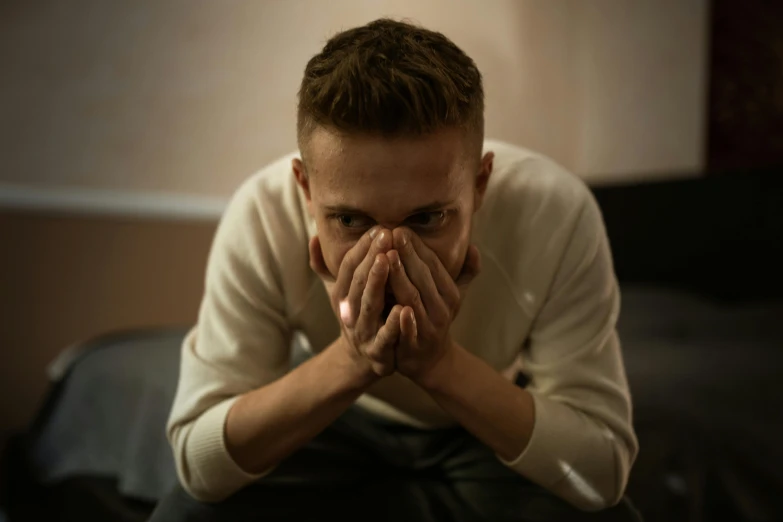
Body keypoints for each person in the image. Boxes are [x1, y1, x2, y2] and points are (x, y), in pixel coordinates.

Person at [150, 18, 640, 522]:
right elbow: (198, 465)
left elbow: (601, 475)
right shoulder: (262, 215)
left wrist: (440, 365)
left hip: (483, 419)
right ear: (305, 190)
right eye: (349, 220)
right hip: (333, 418)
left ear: (480, 185)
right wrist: (352, 361)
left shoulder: (554, 212)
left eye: (426, 218)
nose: (388, 253)